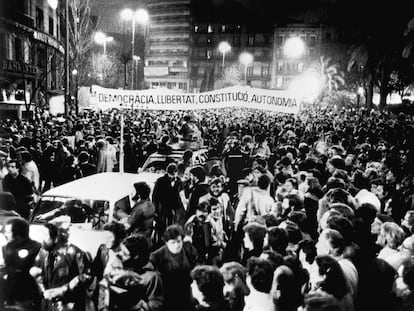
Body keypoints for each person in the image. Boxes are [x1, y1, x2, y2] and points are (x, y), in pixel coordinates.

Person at [31, 218, 94, 311]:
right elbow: (38, 273)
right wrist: (44, 291)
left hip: (69, 305)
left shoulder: (75, 253)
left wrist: (63, 290)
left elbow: (86, 276)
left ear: (56, 238)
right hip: (48, 305)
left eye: (45, 235)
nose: (41, 239)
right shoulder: (42, 253)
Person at [104, 234, 163, 311]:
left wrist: (135, 304)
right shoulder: (119, 267)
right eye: (120, 250)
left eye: (125, 254)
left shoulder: (152, 277)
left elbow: (156, 305)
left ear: (136, 256)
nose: (119, 254)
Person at [150, 224, 198, 311]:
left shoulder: (188, 249)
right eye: (173, 242)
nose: (177, 245)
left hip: (187, 293)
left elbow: (196, 266)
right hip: (168, 295)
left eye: (179, 241)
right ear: (166, 242)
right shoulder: (157, 256)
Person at [1, 218, 42, 311]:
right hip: (9, 296)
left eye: (8, 232)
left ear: (18, 234)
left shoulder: (36, 248)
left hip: (27, 297)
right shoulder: (7, 247)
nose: (5, 234)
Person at [152, 163, 185, 244]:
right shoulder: (160, 181)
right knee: (161, 226)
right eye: (171, 174)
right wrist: (155, 209)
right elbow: (155, 196)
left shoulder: (179, 181)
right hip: (163, 207)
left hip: (175, 207)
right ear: (167, 173)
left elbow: (181, 194)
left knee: (173, 225)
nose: (173, 176)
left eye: (175, 174)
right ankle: (160, 242)